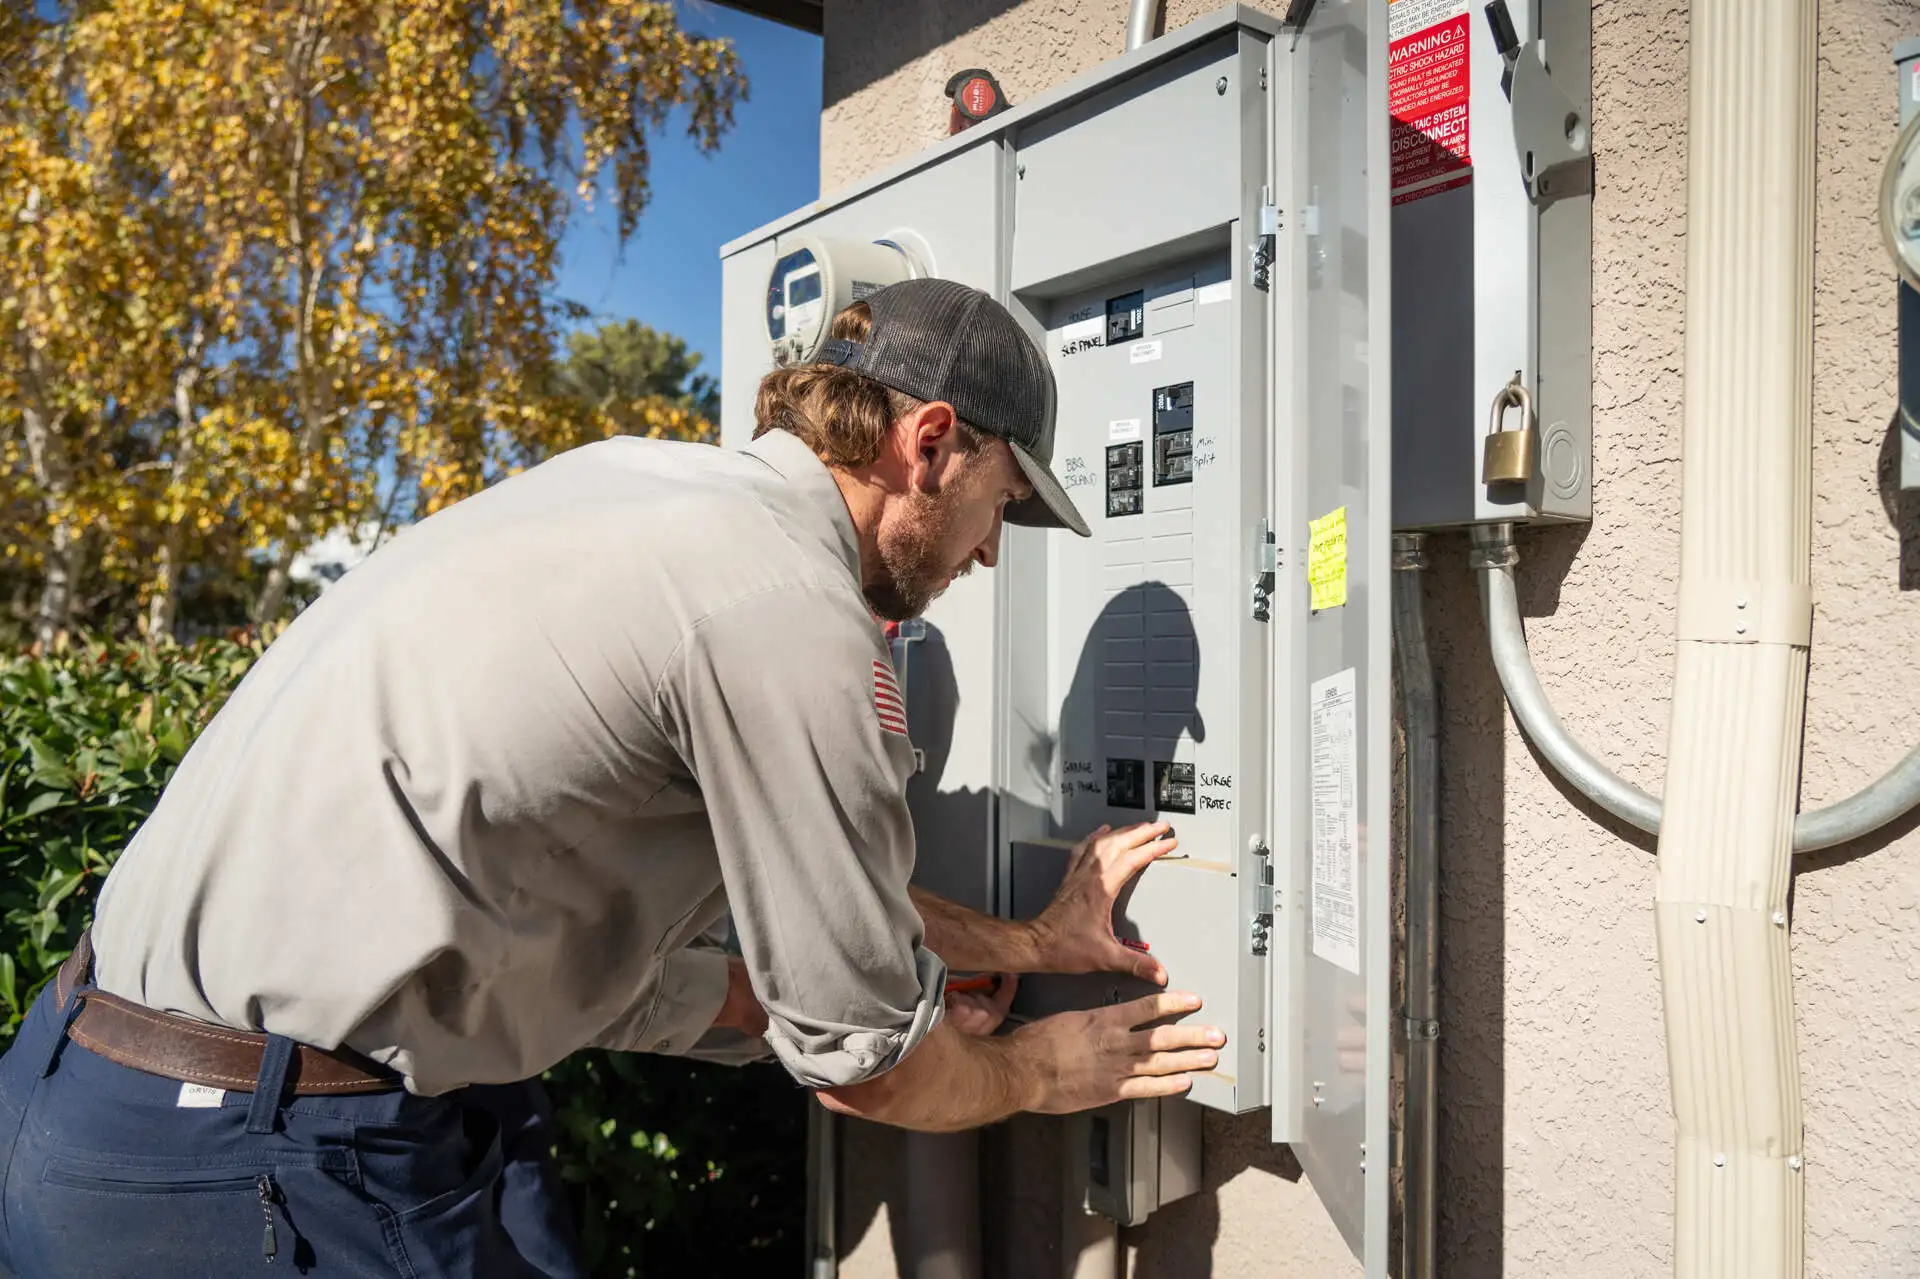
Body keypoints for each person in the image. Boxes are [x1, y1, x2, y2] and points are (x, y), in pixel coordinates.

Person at [0, 278, 1225, 1278]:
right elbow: (871, 1067)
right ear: (931, 443)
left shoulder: (640, 486)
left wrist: (1031, 943)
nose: (992, 553)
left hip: (78, 1081)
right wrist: (1045, 1071)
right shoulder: (788, 614)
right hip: (255, 1172)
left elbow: (662, 915)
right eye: (1003, 503)